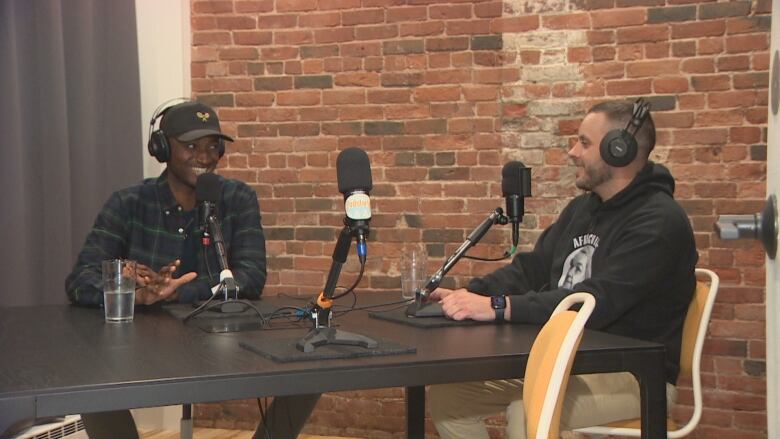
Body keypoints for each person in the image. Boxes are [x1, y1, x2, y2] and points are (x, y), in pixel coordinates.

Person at [427, 98, 698, 439]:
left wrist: (499, 307)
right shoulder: (582, 209)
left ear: (620, 151)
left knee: (528, 410)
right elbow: (532, 269)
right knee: (451, 398)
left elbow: (593, 302)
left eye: (584, 143)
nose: (572, 152)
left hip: (633, 376)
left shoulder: (658, 223)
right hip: (569, 363)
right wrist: (472, 294)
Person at [65, 100, 316, 439]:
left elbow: (251, 276)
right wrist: (133, 293)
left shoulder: (237, 199)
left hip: (219, 341)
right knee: (86, 366)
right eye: (192, 146)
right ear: (162, 148)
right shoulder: (128, 203)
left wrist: (181, 291)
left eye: (213, 146)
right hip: (141, 347)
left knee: (309, 365)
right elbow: (80, 280)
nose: (205, 156)